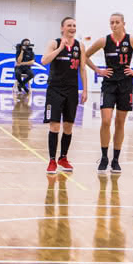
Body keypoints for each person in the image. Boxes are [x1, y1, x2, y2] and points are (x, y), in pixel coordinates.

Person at [89, 13, 133, 173]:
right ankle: (104, 157)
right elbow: (85, 55)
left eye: (117, 22)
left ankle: (116, 160)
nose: (114, 25)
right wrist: (98, 70)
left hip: (125, 85)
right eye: (111, 22)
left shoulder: (132, 40)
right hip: (109, 84)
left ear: (123, 23)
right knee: (105, 121)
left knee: (120, 123)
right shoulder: (104, 40)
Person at [43, 17, 88, 175]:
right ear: (62, 28)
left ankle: (63, 157)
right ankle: (51, 160)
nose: (72, 28)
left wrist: (85, 90)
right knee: (54, 125)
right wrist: (60, 48)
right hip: (55, 89)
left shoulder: (80, 46)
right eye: (69, 25)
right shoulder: (54, 43)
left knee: (68, 126)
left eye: (74, 25)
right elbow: (44, 60)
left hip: (72, 90)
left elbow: (82, 69)